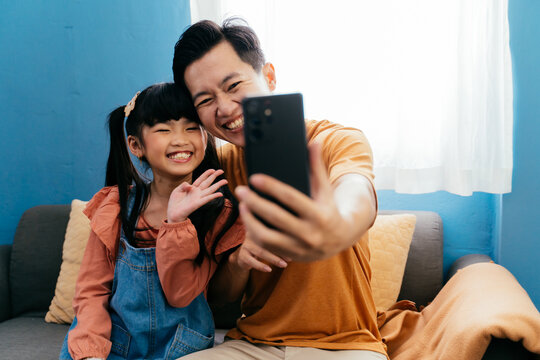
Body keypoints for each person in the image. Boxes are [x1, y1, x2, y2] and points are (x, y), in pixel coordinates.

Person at [172, 19, 387, 360]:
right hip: (253, 345)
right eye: (205, 99)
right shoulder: (214, 172)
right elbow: (217, 295)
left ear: (269, 77)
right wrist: (239, 263)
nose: (225, 108)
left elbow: (357, 190)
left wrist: (339, 225)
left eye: (233, 86)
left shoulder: (334, 140)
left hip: (346, 346)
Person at [59, 83, 244, 360]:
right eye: (164, 129)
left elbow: (180, 294)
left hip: (182, 349)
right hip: (113, 345)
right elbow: (92, 290)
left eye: (191, 127)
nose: (180, 139)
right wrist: (91, 351)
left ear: (206, 137)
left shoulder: (217, 211)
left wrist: (177, 222)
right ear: (136, 145)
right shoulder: (117, 206)